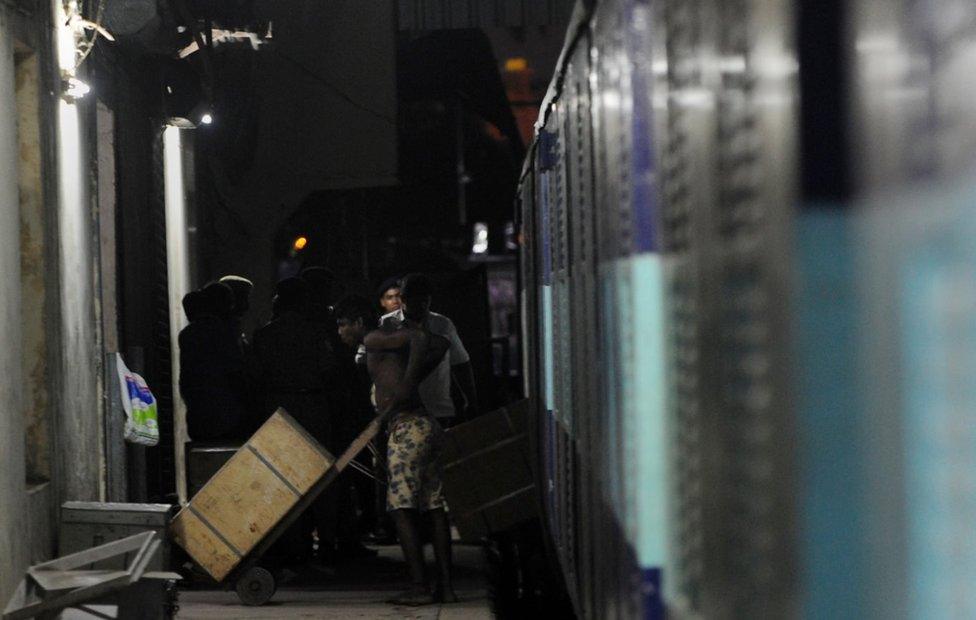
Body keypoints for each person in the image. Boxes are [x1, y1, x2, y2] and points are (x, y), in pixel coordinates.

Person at [337, 295, 457, 605]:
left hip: (407, 428)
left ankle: (419, 586)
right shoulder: (378, 347)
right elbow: (441, 345)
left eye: (343, 325)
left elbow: (422, 337)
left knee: (400, 508)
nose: (340, 333)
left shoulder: (375, 337)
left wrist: (404, 388)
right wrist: (412, 377)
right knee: (433, 505)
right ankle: (446, 587)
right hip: (423, 425)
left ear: (358, 324)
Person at [252, 277, 338, 563]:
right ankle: (327, 541)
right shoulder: (315, 332)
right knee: (320, 476)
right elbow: (329, 368)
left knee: (282, 478)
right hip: (312, 405)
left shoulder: (264, 335)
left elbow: (255, 375)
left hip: (278, 408)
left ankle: (292, 544)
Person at [382, 274, 479, 423]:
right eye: (416, 301)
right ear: (403, 299)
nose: (422, 306)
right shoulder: (387, 324)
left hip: (439, 410)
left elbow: (461, 364)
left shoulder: (442, 325)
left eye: (425, 301)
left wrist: (471, 401)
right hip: (402, 413)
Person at [179, 282, 248, 441]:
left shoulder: (188, 333)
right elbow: (235, 371)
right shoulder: (225, 332)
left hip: (198, 411)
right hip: (227, 411)